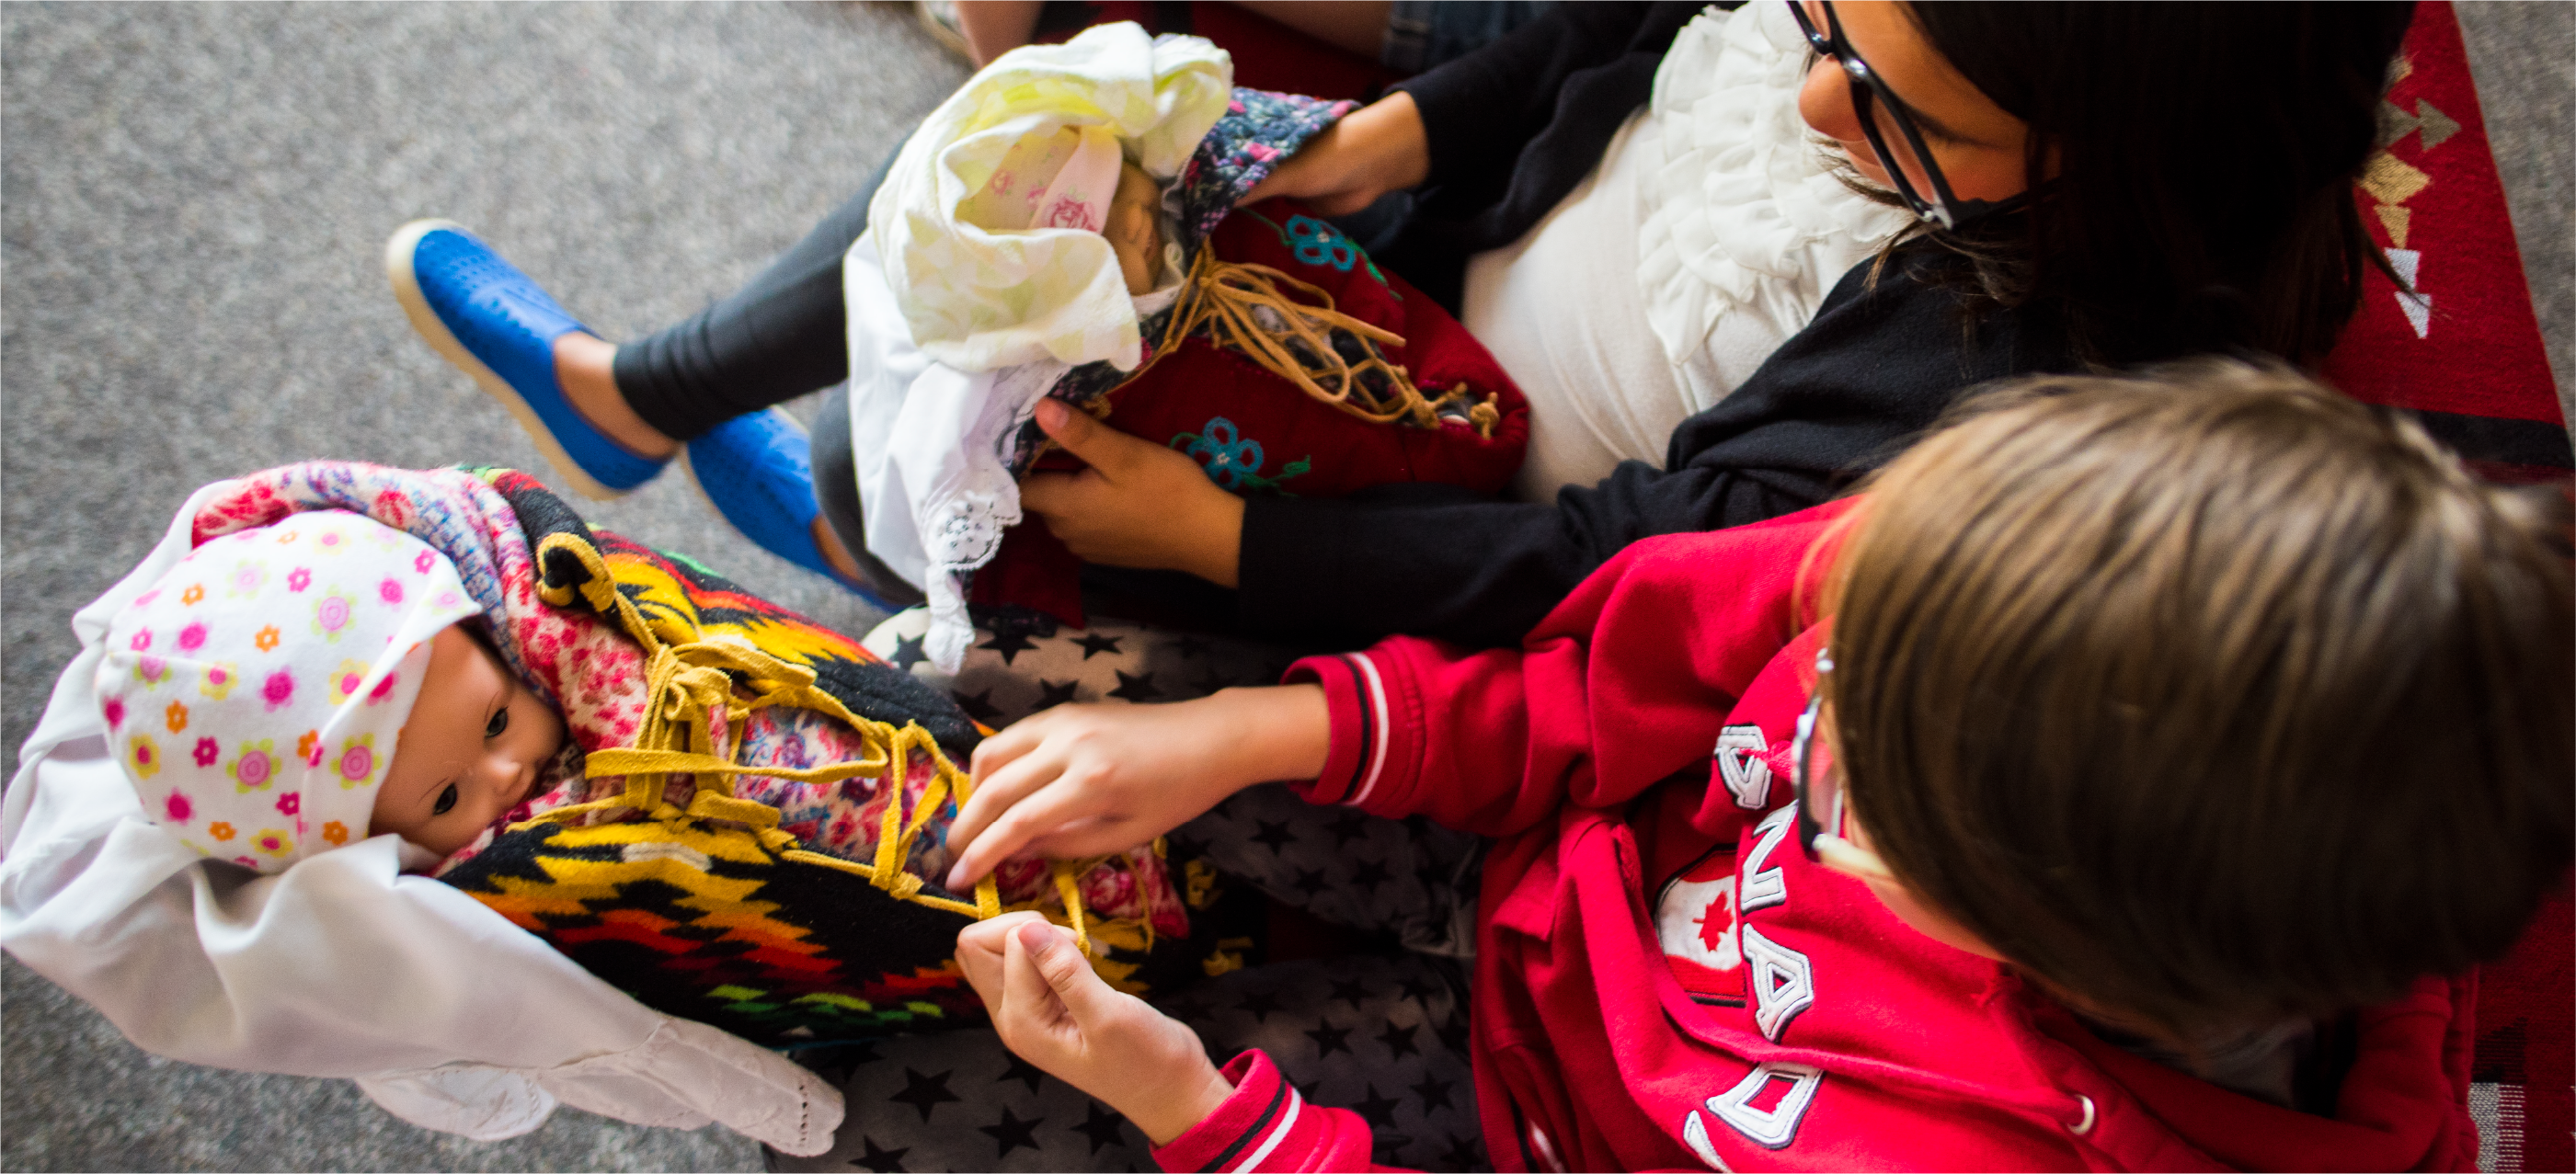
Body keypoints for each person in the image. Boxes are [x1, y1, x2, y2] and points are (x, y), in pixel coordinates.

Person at [931, 363, 2576, 1171]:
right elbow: (1599, 687)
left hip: (1537, 1126)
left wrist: (1205, 1117)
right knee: (1005, 695)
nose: (1812, 715)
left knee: (964, 1098)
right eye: (1840, 661)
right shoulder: (1954, 584)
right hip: (1543, 867)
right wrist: (1254, 734)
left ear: (2055, 943)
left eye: (1859, 796)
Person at [386, 0, 2421, 652]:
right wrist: (1385, 138)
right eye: (1819, 22)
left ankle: (801, 506)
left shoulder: (1979, 390)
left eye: (1898, 117)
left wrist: (1231, 545)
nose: (1811, 100)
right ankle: (634, 393)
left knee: (939, 483)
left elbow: (1613, 561)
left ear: (2113, 176)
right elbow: (1625, 28)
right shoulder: (1884, 41)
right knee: (1040, 145)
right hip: (1427, 262)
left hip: (1436, 495)